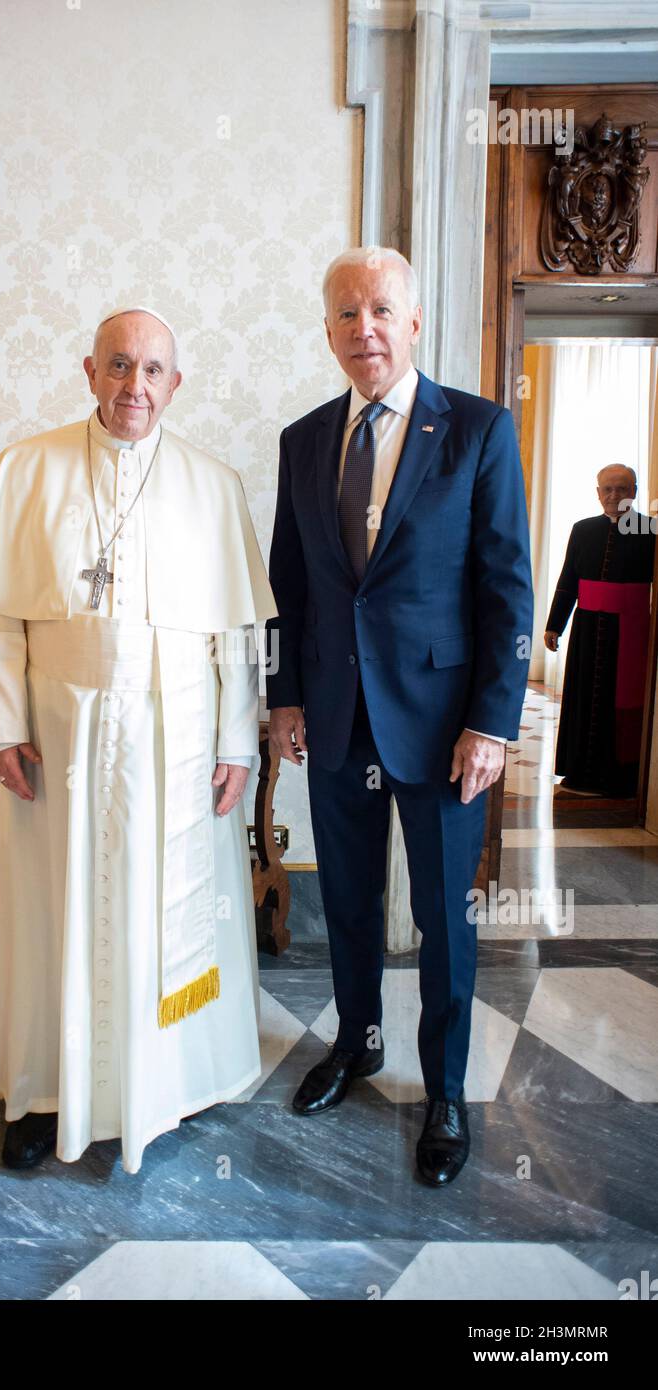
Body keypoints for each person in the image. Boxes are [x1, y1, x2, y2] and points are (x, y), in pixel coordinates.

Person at [0, 306, 276, 1174]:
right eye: (119, 366)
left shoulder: (214, 482)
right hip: (61, 730)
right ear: (88, 372)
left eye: (154, 370)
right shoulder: (26, 468)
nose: (137, 386)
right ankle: (43, 1090)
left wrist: (239, 743)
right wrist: (2, 727)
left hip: (178, 731)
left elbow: (237, 636)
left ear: (176, 382)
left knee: (167, 906)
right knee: (56, 906)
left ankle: (167, 1080)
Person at [264, 247, 533, 1187]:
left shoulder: (479, 431)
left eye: (381, 310)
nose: (363, 328)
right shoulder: (302, 441)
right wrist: (284, 695)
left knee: (445, 921)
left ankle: (447, 1089)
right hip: (337, 717)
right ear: (328, 330)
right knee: (345, 904)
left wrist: (492, 725)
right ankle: (358, 1044)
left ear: (415, 322)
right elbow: (287, 590)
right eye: (345, 313)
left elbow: (508, 589)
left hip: (444, 725)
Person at [545, 464, 654, 797]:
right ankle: (579, 771)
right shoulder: (582, 529)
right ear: (597, 492)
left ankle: (620, 777)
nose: (613, 495)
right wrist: (554, 625)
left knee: (622, 703)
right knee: (583, 697)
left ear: (633, 491)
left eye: (621, 489)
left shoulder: (651, 531)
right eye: (607, 489)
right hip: (587, 627)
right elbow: (568, 581)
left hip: (632, 631)